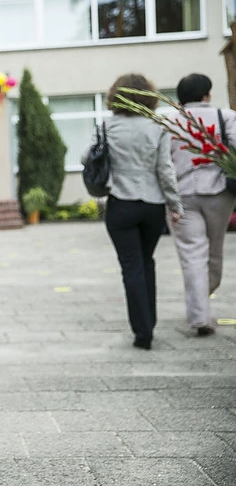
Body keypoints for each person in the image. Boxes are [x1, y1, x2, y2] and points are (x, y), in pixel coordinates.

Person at [85, 73, 183, 350]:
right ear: (149, 95)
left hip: (121, 204)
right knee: (147, 260)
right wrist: (175, 205)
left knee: (131, 266)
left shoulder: (106, 126)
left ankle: (143, 333)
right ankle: (148, 322)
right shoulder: (157, 126)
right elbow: (165, 170)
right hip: (153, 206)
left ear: (116, 96)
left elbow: (86, 157)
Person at [168, 73, 236, 336]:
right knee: (214, 251)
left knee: (192, 254)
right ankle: (201, 310)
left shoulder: (169, 120)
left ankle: (200, 313)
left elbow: (162, 160)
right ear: (206, 94)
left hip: (181, 194)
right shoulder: (226, 116)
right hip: (220, 193)